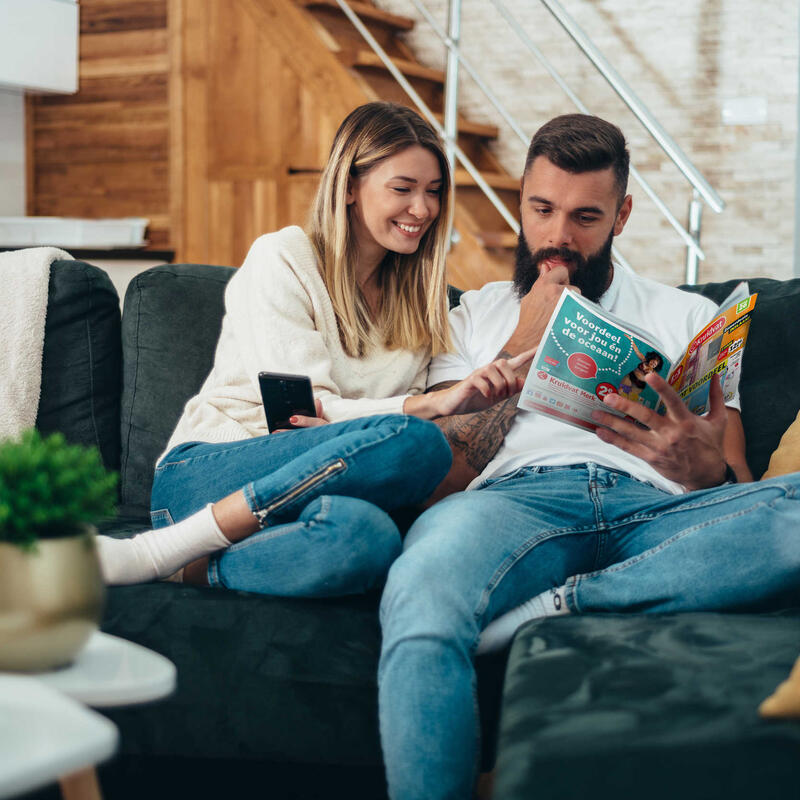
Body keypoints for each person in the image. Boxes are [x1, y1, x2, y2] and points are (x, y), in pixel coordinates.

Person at [376, 113, 800, 799]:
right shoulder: (468, 316)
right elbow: (440, 480)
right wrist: (524, 341)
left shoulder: (691, 316)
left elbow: (738, 487)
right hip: (512, 504)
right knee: (421, 593)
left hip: (657, 515)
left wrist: (706, 472)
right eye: (541, 209)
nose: (557, 238)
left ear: (622, 216)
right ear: (520, 200)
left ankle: (565, 605)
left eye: (585, 217)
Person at [96, 101, 529, 592]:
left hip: (318, 485)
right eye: (402, 189)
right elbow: (300, 413)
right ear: (348, 186)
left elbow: (337, 432)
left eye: (432, 192)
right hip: (210, 475)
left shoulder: (422, 303)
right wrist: (426, 406)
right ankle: (159, 548)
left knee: (366, 540)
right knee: (419, 441)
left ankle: (191, 567)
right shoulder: (284, 257)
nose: (423, 209)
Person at [617, 334, 664, 400]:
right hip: (631, 376)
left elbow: (659, 382)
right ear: (650, 359)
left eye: (655, 364)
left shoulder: (653, 372)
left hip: (639, 385)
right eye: (653, 362)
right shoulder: (644, 360)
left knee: (628, 398)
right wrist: (631, 340)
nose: (653, 364)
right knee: (620, 390)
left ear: (656, 367)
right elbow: (637, 351)